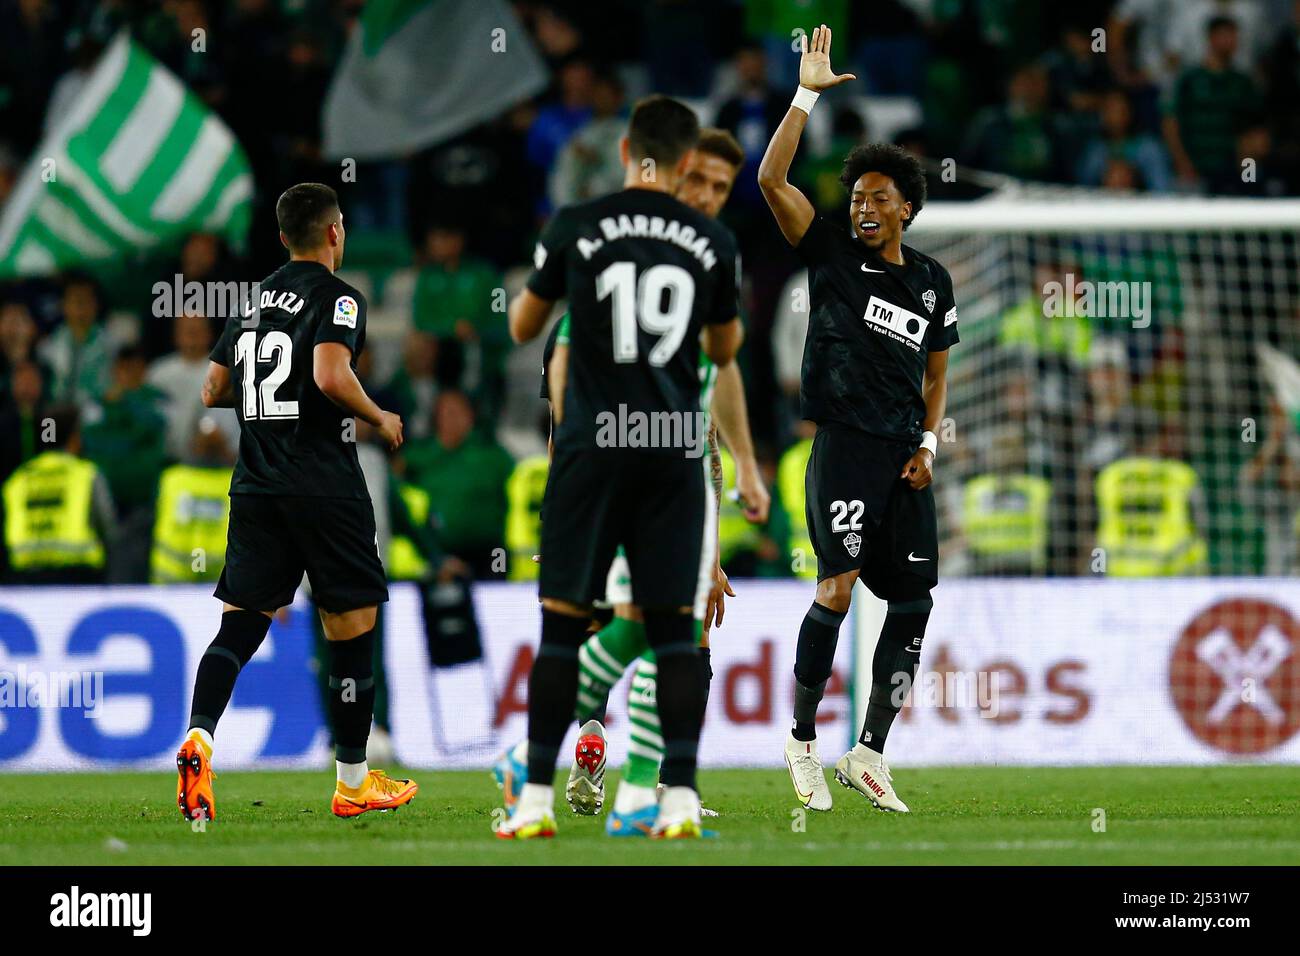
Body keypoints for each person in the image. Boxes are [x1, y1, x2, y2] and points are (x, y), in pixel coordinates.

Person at [493, 129, 772, 837]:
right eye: (699, 183)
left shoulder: (701, 267)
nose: (708, 198)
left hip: (680, 474)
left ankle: (628, 788)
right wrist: (573, 487)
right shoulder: (617, 258)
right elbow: (558, 366)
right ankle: (629, 787)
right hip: (613, 466)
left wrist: (738, 471)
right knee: (651, 629)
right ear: (675, 174)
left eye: (719, 188)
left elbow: (719, 381)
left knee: (670, 632)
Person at [758, 26, 959, 813]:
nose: (864, 205)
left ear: (907, 207)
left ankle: (869, 753)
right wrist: (805, 94)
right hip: (842, 447)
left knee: (912, 604)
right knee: (836, 588)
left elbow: (937, 373)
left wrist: (931, 445)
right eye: (857, 195)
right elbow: (772, 178)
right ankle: (801, 740)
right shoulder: (833, 253)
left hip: (905, 458)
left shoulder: (936, 283)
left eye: (880, 197)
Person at [175, 183, 415, 823]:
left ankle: (199, 738)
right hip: (322, 485)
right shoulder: (338, 298)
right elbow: (332, 374)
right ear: (335, 233)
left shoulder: (252, 300)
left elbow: (213, 390)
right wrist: (378, 415)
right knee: (351, 625)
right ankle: (353, 781)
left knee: (241, 622)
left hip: (255, 484)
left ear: (283, 237)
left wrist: (268, 401)